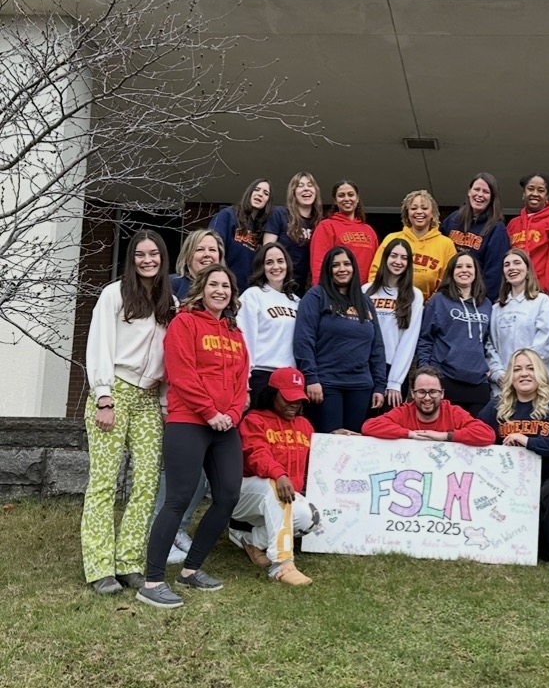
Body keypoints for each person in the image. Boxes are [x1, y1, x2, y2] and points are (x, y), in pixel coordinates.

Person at [138, 264, 249, 610]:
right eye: (214, 284)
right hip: (189, 421)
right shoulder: (184, 323)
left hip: (225, 425)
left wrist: (230, 414)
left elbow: (241, 379)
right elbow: (180, 373)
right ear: (201, 288)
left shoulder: (234, 332)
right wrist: (210, 412)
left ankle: (190, 570)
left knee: (228, 495)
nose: (220, 290)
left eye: (226, 286)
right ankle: (152, 581)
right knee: (178, 498)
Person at [81, 230, 176, 596]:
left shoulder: (172, 302)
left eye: (154, 254)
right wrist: (103, 396)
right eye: (140, 254)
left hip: (150, 398)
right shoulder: (114, 294)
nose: (147, 260)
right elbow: (99, 344)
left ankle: (130, 562)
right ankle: (100, 566)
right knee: (104, 481)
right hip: (115, 392)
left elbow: (170, 360)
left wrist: (166, 404)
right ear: (132, 258)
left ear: (162, 258)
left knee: (147, 483)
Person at [479, 349, 549, 562]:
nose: (524, 374)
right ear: (510, 376)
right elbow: (476, 433)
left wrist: (529, 442)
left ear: (541, 373)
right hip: (511, 481)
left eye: (530, 368)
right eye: (517, 369)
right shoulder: (497, 406)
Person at [229, 367, 320, 587]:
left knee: (310, 519)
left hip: (279, 497)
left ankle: (249, 539)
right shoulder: (254, 420)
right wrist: (278, 474)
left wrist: (335, 438)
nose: (294, 405)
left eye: (298, 400)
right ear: (272, 394)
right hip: (243, 495)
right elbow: (255, 454)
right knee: (273, 485)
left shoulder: (304, 425)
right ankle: (282, 565)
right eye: (288, 399)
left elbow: (316, 458)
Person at [294, 246, 386, 433]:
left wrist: (379, 385)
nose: (342, 269)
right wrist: (311, 378)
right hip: (326, 385)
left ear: (354, 267)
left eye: (346, 264)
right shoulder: (316, 296)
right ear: (328, 270)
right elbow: (303, 341)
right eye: (335, 265)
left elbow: (377, 346)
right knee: (329, 443)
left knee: (353, 448)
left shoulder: (364, 301)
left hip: (361, 386)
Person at [418, 252, 493, 416]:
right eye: (459, 267)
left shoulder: (486, 304)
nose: (464, 270)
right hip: (445, 378)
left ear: (476, 272)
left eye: (469, 266)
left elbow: (488, 341)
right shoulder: (439, 300)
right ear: (451, 272)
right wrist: (426, 372)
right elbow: (425, 338)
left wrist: (489, 366)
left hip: (478, 380)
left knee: (477, 434)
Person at [363, 366, 496, 446]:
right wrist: (409, 434)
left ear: (442, 394)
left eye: (433, 392)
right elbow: (369, 426)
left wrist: (445, 436)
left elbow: (487, 434)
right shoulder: (404, 411)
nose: (427, 398)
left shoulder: (453, 412)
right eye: (421, 392)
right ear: (412, 393)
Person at [363, 238, 424, 409]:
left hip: (393, 368)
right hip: (365, 368)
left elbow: (409, 341)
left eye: (404, 258)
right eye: (394, 256)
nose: (398, 262)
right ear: (385, 258)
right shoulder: (365, 291)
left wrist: (395, 381)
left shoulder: (414, 295)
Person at [487, 248, 549, 389]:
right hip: (504, 387)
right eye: (507, 264)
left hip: (537, 383)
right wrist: (500, 374)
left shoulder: (541, 301)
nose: (512, 268)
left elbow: (548, 341)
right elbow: (490, 345)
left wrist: (522, 371)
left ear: (527, 270)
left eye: (517, 263)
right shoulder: (496, 308)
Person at [238, 243, 300, 400]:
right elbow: (245, 340)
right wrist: (244, 381)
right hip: (260, 375)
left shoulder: (297, 301)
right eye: (269, 262)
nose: (276, 266)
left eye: (280, 261)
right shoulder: (253, 295)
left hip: (290, 378)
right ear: (261, 267)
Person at [370, 189, 456, 302]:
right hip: (390, 303)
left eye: (424, 208)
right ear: (407, 213)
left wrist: (432, 303)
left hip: (428, 308)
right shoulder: (392, 239)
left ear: (433, 214)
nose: (419, 212)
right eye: (413, 208)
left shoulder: (446, 244)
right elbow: (375, 273)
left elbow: (448, 280)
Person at [440, 172, 510, 302]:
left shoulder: (497, 228)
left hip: (475, 298)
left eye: (486, 192)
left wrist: (482, 301)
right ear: (469, 191)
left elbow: (495, 272)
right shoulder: (453, 219)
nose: (480, 195)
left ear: (492, 197)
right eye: (476, 189)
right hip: (447, 293)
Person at [264, 171, 323, 295]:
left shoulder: (321, 224)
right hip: (279, 285)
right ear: (293, 193)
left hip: (306, 289)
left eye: (310, 185)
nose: (306, 189)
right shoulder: (280, 214)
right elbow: (266, 250)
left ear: (316, 191)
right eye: (300, 186)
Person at [209, 178, 272, 293]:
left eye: (265, 193)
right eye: (257, 189)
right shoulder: (228, 215)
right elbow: (213, 249)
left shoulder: (263, 230)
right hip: (223, 289)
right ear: (249, 192)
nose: (260, 194)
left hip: (248, 293)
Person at [309, 179, 378, 284]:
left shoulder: (369, 231)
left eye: (351, 194)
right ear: (335, 201)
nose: (347, 199)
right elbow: (319, 264)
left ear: (357, 198)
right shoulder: (326, 226)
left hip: (365, 293)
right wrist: (320, 293)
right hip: (337, 292)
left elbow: (377, 266)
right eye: (341, 195)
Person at [170, 229, 225, 301]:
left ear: (220, 256)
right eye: (200, 249)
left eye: (212, 250)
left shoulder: (226, 289)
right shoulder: (172, 284)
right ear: (188, 255)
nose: (207, 254)